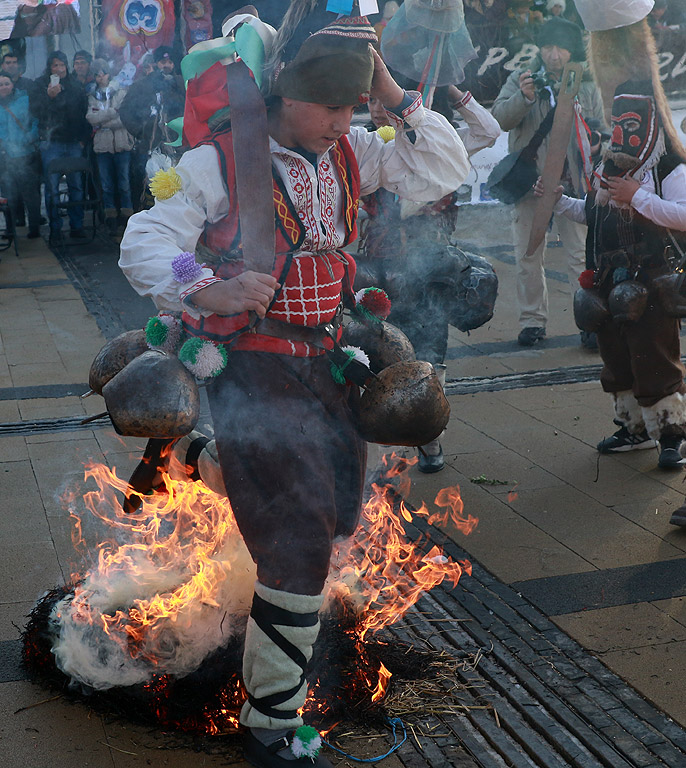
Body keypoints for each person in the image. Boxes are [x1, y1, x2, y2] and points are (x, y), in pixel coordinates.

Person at [119, 11, 469, 766]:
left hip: (333, 366)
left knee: (342, 512)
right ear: (281, 90)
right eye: (329, 104)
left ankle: (200, 458)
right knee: (300, 544)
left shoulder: (351, 150)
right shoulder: (216, 163)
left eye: (352, 105)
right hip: (254, 371)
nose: (343, 120)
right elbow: (143, 241)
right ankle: (271, 719)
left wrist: (389, 90)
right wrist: (205, 284)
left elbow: (446, 168)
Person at [546, 77, 686, 471]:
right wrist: (561, 203)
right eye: (617, 118)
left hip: (652, 278)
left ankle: (672, 434)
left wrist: (637, 196)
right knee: (617, 357)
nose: (622, 129)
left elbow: (684, 214)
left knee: (654, 357)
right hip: (609, 278)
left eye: (632, 120)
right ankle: (634, 428)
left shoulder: (670, 163)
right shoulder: (607, 163)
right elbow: (592, 213)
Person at [359, 83, 500, 473]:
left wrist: (453, 89)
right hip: (383, 277)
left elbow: (488, 131)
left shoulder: (442, 144)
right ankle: (385, 457)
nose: (378, 107)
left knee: (427, 362)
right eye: (372, 99)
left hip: (429, 279)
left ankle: (428, 438)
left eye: (384, 97)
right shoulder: (370, 148)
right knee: (379, 364)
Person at [491, 16, 605, 348]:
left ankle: (588, 320)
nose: (554, 55)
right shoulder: (521, 77)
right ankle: (531, 322)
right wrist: (524, 98)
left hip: (573, 184)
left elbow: (605, 132)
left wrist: (597, 143)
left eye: (561, 48)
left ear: (573, 51)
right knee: (527, 254)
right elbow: (499, 118)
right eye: (548, 47)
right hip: (530, 182)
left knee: (579, 257)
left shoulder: (586, 84)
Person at [31, 51, 90, 243]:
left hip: (73, 142)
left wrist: (82, 138)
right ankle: (55, 227)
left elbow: (83, 112)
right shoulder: (40, 85)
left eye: (62, 65)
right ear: (50, 68)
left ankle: (77, 225)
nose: (59, 69)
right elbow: (35, 112)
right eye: (55, 66)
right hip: (52, 142)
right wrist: (49, 97)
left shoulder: (75, 85)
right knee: (52, 187)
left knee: (76, 185)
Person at [119, 46, 185, 210]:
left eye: (170, 61)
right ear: (156, 63)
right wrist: (141, 131)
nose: (167, 65)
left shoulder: (182, 85)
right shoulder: (142, 86)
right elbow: (125, 110)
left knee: (179, 192)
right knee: (147, 192)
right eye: (163, 61)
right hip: (148, 147)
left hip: (177, 148)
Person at [86, 59, 134, 236]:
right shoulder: (92, 95)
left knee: (124, 184)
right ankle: (111, 218)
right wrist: (112, 112)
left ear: (109, 74)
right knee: (106, 185)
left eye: (103, 73)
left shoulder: (121, 92)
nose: (101, 77)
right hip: (103, 145)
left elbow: (125, 117)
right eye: (97, 74)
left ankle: (128, 218)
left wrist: (103, 118)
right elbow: (90, 118)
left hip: (121, 142)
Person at [0, 73, 41, 238]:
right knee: (8, 194)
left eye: (6, 83)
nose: (3, 87)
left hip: (26, 153)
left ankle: (34, 228)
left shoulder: (25, 100)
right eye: (0, 84)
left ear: (12, 85)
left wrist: (30, 137)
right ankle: (10, 230)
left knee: (30, 194)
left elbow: (36, 121)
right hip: (4, 156)